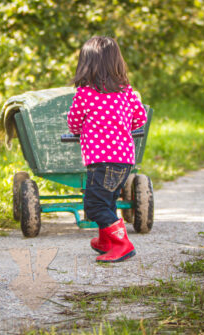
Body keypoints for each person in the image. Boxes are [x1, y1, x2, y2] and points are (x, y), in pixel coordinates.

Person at [67, 36, 148, 263]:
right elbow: (140, 119)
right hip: (124, 159)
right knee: (108, 201)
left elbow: (73, 122)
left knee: (94, 205)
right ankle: (106, 241)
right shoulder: (127, 92)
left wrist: (80, 131)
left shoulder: (85, 94)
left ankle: (122, 245)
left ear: (87, 64)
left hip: (101, 160)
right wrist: (121, 126)